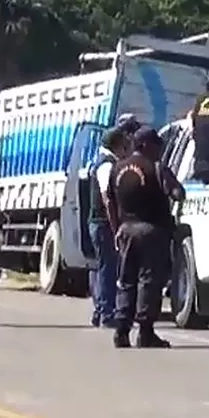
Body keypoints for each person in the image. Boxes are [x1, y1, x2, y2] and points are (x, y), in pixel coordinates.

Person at [106, 126, 176, 349]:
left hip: (126, 229)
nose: (159, 149)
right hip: (151, 230)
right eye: (157, 145)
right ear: (145, 145)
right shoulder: (156, 167)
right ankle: (145, 332)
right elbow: (176, 192)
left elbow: (110, 199)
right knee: (149, 281)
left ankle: (121, 330)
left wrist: (117, 227)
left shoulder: (117, 168)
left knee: (126, 280)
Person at [88, 126, 131, 328]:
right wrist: (116, 228)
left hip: (99, 223)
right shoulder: (106, 165)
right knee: (108, 269)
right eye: (124, 144)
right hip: (103, 223)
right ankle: (106, 313)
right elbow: (107, 199)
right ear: (116, 145)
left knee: (102, 267)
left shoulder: (103, 162)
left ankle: (100, 311)